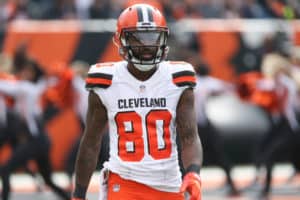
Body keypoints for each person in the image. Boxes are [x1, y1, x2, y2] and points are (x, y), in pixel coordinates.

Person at [72, 3, 203, 200]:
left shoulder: (178, 78)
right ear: (121, 40)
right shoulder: (106, 79)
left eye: (152, 37)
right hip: (124, 181)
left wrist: (193, 174)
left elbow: (189, 137)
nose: (147, 45)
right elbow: (91, 142)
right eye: (139, 38)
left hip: (169, 184)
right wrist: (78, 194)